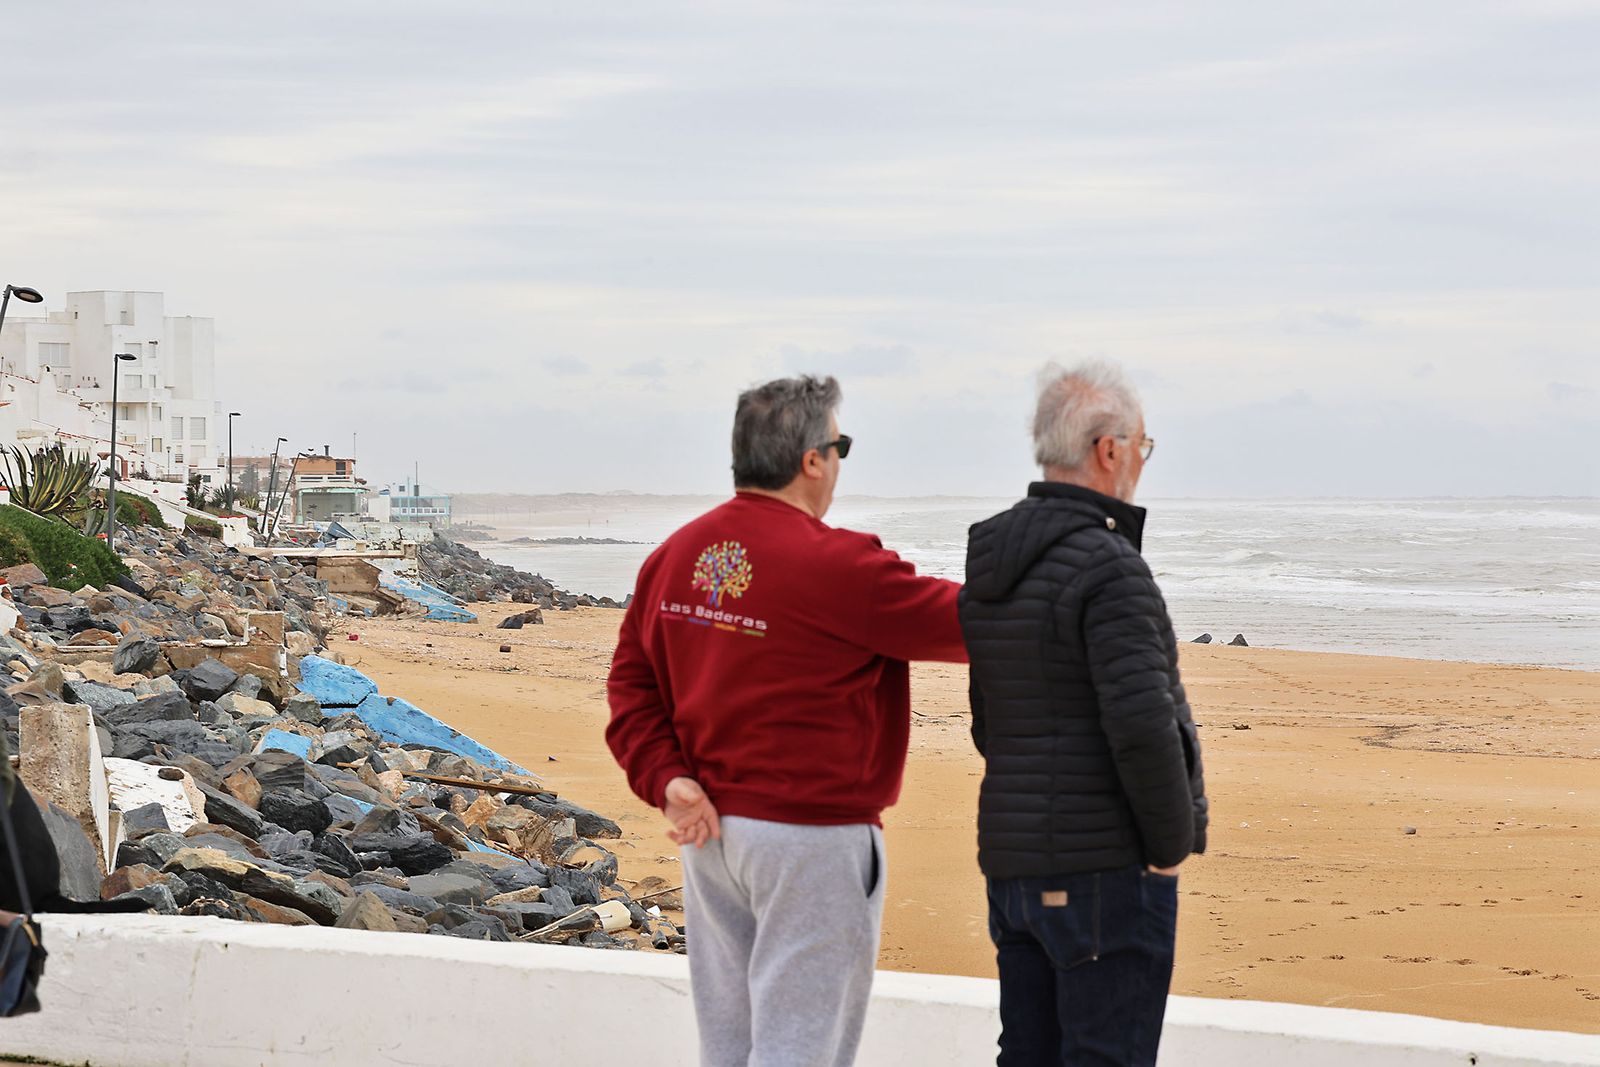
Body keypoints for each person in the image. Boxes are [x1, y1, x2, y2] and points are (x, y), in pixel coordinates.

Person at [606, 374, 966, 1067]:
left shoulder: (674, 557)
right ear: (812, 460)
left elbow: (630, 685)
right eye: (840, 446)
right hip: (811, 839)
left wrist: (666, 777)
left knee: (730, 1043)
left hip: (710, 833)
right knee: (801, 1046)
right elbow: (975, 623)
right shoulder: (843, 566)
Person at [960, 360, 1208, 1066]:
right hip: (1105, 872)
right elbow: (1144, 728)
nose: (1142, 461)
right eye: (1142, 446)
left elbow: (987, 724)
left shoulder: (994, 564)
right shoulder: (1110, 567)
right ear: (1108, 450)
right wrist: (1168, 850)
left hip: (1013, 870)